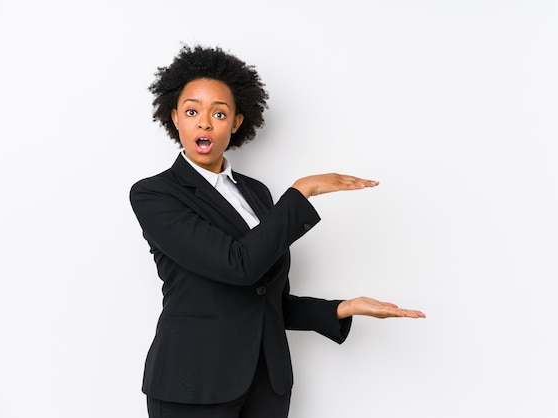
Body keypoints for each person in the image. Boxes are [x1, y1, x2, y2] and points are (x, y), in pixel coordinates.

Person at [130, 44, 425, 418]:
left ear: (236, 122)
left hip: (265, 385)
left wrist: (342, 308)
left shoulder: (255, 193)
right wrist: (302, 192)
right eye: (192, 111)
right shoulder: (155, 194)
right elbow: (238, 266)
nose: (204, 122)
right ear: (175, 117)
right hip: (194, 385)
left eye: (219, 113)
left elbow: (264, 299)